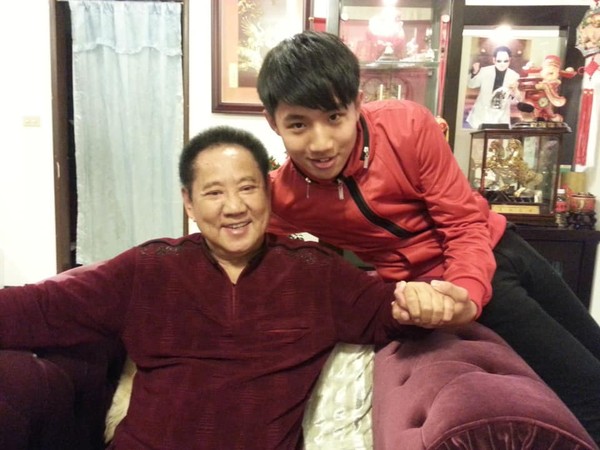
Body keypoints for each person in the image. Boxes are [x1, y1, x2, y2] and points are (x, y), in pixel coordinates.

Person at [257, 30, 600, 444]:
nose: (321, 143)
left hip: (497, 251)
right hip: (445, 284)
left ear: (357, 103)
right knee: (588, 390)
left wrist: (466, 295)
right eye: (298, 124)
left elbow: (462, 223)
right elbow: (249, 243)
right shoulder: (283, 196)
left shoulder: (407, 125)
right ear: (273, 122)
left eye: (334, 117)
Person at [0, 125, 434, 449]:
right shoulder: (148, 269)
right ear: (189, 202)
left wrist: (432, 302)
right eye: (213, 193)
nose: (234, 207)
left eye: (247, 188)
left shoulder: (315, 273)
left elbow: (389, 311)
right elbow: (36, 309)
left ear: (268, 192)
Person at [466, 45, 522, 128]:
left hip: (501, 117)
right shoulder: (485, 71)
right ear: (494, 60)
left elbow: (518, 99)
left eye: (505, 61)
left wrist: (515, 91)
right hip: (480, 115)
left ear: (509, 60)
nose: (502, 64)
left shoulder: (514, 76)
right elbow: (471, 84)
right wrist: (474, 72)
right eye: (499, 61)